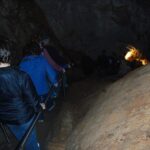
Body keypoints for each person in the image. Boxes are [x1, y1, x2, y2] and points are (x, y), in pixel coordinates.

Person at [0, 40, 40, 150]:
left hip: (6, 118)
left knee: (21, 139)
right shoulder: (21, 76)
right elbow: (32, 100)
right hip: (24, 117)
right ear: (9, 55)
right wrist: (38, 109)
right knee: (31, 142)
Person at [19, 42, 58, 120]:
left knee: (37, 108)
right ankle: (51, 110)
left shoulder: (21, 64)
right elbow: (51, 74)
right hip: (44, 90)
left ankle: (40, 118)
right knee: (48, 101)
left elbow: (20, 80)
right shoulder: (42, 60)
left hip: (31, 94)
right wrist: (55, 82)